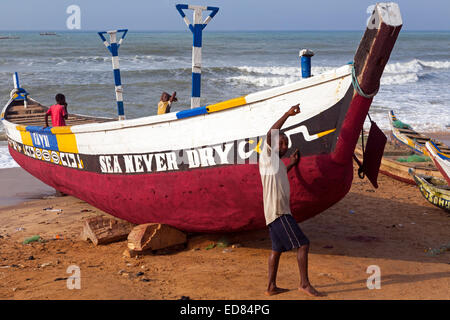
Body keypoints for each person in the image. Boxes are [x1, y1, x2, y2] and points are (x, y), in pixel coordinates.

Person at [259, 104, 324, 297]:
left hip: (273, 213)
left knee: (276, 250)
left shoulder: (277, 163)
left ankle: (271, 287)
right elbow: (271, 133)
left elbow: (279, 175)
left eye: (286, 143)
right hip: (279, 213)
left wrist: (292, 165)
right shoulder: (267, 156)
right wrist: (287, 114)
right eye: (281, 142)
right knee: (303, 244)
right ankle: (304, 284)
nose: (284, 146)